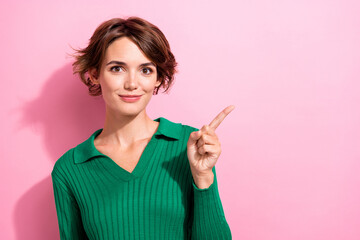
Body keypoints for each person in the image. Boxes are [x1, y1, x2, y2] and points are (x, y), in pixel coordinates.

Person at [51, 16, 234, 239]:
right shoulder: (70, 169)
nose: (132, 84)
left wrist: (203, 176)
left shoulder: (189, 145)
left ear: (158, 77)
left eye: (145, 70)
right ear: (95, 74)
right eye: (117, 68)